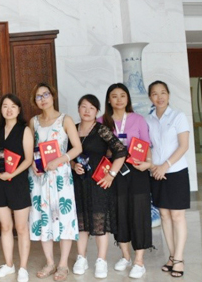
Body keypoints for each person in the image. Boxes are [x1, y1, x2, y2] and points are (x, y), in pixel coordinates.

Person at [28, 83, 82, 282]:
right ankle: (50, 262)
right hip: (39, 177)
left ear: (53, 96)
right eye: (38, 96)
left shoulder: (65, 120)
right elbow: (30, 148)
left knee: (64, 217)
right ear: (35, 101)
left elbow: (77, 148)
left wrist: (60, 160)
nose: (43, 99)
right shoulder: (34, 122)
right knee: (43, 217)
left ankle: (63, 264)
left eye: (46, 94)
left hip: (60, 176)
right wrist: (32, 163)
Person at [99, 83, 152, 279]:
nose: (119, 99)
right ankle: (126, 256)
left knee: (139, 213)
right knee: (119, 212)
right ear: (108, 100)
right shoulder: (101, 121)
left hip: (137, 171)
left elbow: (146, 145)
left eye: (123, 95)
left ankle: (139, 261)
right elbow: (99, 149)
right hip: (114, 173)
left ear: (128, 98)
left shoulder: (138, 119)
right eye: (114, 96)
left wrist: (148, 163)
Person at [71, 94, 127, 279]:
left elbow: (121, 151)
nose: (87, 111)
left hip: (98, 182)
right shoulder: (73, 129)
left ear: (97, 111)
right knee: (81, 222)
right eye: (83, 107)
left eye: (92, 108)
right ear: (78, 109)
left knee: (99, 220)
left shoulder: (101, 130)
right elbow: (66, 154)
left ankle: (101, 260)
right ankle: (81, 258)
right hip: (78, 182)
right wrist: (73, 165)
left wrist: (111, 175)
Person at [147, 80, 190, 278]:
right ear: (150, 97)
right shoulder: (148, 120)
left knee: (177, 216)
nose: (160, 97)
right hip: (156, 173)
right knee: (164, 215)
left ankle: (179, 258)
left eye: (163, 92)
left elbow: (183, 146)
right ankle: (172, 256)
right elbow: (147, 146)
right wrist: (153, 166)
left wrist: (165, 165)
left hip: (176, 172)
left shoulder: (178, 116)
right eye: (155, 94)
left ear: (169, 95)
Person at [0, 94, 34, 282]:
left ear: (18, 110)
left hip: (18, 183)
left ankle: (23, 267)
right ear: (1, 109)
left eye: (13, 106)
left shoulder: (24, 130)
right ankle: (9, 265)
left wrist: (12, 174)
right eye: (5, 106)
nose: (9, 110)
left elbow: (28, 159)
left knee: (21, 227)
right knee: (5, 226)